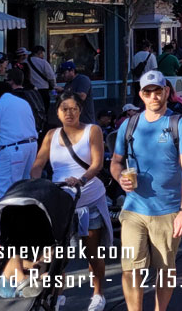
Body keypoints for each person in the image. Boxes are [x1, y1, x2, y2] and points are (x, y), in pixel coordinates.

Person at [111, 71, 182, 311]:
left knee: (165, 270)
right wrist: (119, 178)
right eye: (148, 92)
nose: (153, 96)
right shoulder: (129, 124)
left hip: (168, 210)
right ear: (141, 95)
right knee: (130, 269)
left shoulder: (178, 124)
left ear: (166, 92)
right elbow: (116, 162)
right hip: (133, 209)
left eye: (158, 90)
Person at [30, 92, 110, 311]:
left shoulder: (92, 130)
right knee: (58, 255)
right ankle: (57, 295)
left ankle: (98, 294)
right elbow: (38, 163)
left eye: (74, 108)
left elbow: (97, 164)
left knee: (92, 252)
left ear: (80, 110)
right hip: (60, 202)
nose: (69, 113)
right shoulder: (51, 135)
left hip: (89, 198)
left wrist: (81, 179)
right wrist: (36, 182)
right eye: (64, 109)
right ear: (57, 112)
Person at [0, 75, 39, 198]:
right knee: (25, 187)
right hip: (31, 146)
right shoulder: (23, 103)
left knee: (6, 189)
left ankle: (6, 216)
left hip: (13, 149)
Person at [56, 61, 95, 125]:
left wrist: (64, 91)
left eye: (64, 73)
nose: (62, 76)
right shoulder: (68, 84)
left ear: (72, 71)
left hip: (85, 121)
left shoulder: (83, 79)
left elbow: (82, 97)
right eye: (61, 74)